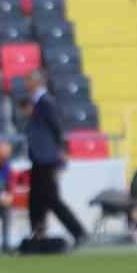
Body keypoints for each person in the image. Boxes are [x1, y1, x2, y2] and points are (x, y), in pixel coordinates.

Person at [24, 71, 87, 246]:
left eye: (28, 80)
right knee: (36, 197)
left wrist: (62, 151)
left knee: (50, 197)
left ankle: (78, 231)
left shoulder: (46, 102)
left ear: (37, 82)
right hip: (39, 157)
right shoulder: (38, 102)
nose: (25, 83)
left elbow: (57, 128)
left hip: (46, 158)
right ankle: (38, 233)